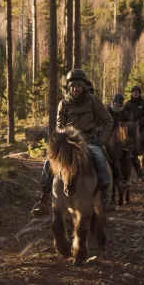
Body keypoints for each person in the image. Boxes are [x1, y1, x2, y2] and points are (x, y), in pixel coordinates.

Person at [31, 69, 117, 216]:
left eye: (78, 86)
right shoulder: (63, 104)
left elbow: (108, 120)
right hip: (69, 143)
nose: (74, 89)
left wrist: (101, 140)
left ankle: (105, 198)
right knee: (48, 162)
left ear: (83, 87)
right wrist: (66, 135)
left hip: (89, 141)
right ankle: (44, 200)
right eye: (72, 86)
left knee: (100, 159)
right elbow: (59, 125)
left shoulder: (93, 100)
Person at [107, 94, 144, 179]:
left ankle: (138, 169)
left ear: (121, 104)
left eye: (119, 103)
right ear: (113, 102)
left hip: (121, 136)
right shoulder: (107, 110)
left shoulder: (125, 113)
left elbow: (129, 125)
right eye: (115, 103)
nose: (117, 104)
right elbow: (100, 122)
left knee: (130, 149)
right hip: (108, 134)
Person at [125, 86, 144, 166]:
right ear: (132, 93)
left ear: (139, 93)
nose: (135, 93)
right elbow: (125, 114)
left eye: (137, 92)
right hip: (131, 127)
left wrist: (142, 120)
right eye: (134, 92)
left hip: (142, 126)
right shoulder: (128, 103)